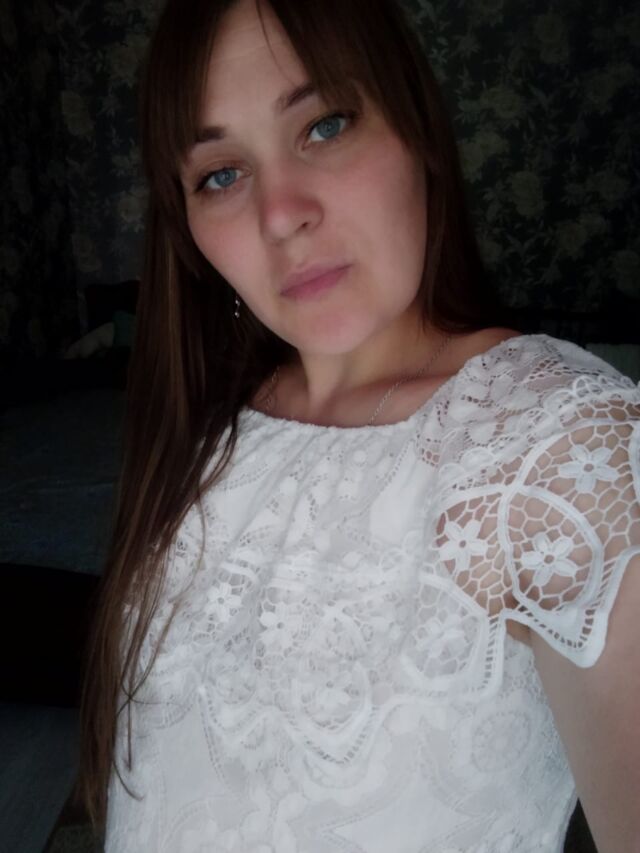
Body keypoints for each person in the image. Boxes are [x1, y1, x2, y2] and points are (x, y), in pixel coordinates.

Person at [79, 0, 640, 850]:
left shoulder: (564, 444)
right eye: (221, 175)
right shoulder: (207, 432)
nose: (281, 214)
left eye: (325, 126)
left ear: (416, 130)